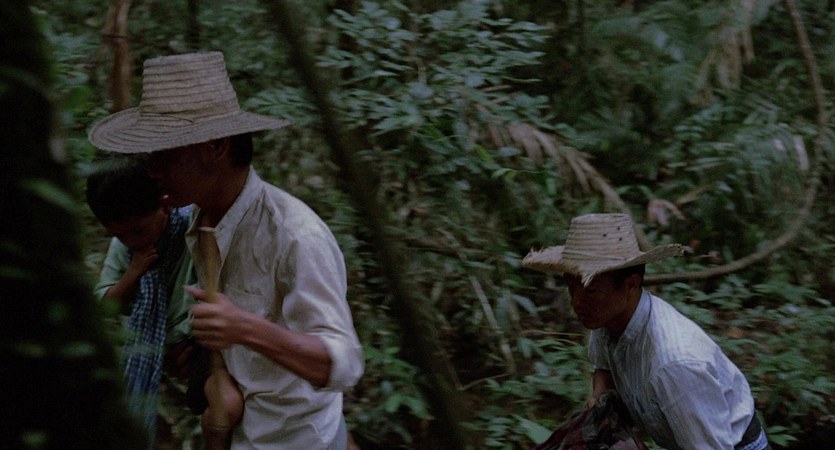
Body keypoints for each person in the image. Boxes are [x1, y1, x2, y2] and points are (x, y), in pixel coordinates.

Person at [88, 51, 364, 449]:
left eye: (165, 154)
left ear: (215, 145)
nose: (153, 171)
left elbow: (345, 362)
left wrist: (244, 327)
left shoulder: (294, 234)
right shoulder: (197, 223)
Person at [522, 213, 770, 450]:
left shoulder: (674, 363)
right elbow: (603, 366)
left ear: (631, 285)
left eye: (590, 290)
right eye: (571, 287)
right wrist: (599, 399)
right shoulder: (605, 319)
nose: (576, 302)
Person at [86, 158, 244, 449]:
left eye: (138, 231)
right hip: (157, 346)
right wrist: (132, 274)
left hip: (206, 338)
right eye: (119, 234)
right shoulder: (123, 250)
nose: (130, 241)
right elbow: (105, 306)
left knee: (227, 406)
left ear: (165, 205)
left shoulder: (193, 225)